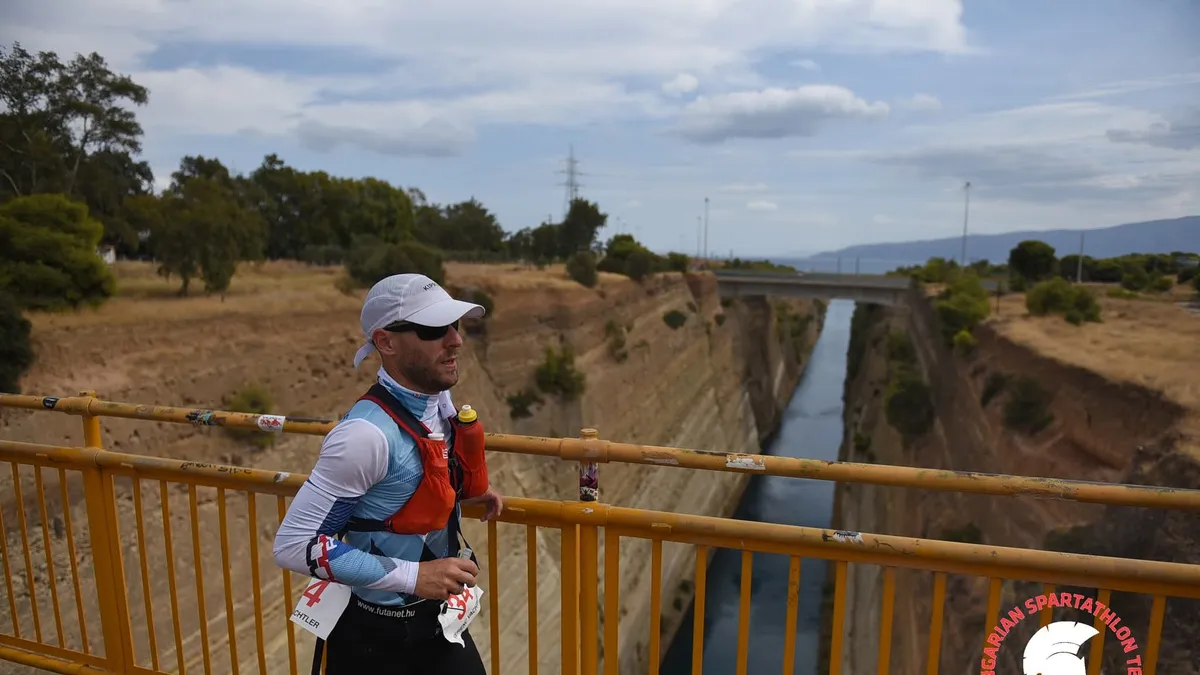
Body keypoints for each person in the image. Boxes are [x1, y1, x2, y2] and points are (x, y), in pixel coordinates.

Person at [273, 273, 504, 674]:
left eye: (456, 325)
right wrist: (416, 576)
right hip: (375, 641)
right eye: (434, 329)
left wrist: (462, 489)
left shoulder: (436, 398)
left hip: (439, 624)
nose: (456, 340)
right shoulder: (364, 435)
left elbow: (416, 473)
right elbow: (294, 545)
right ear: (386, 342)